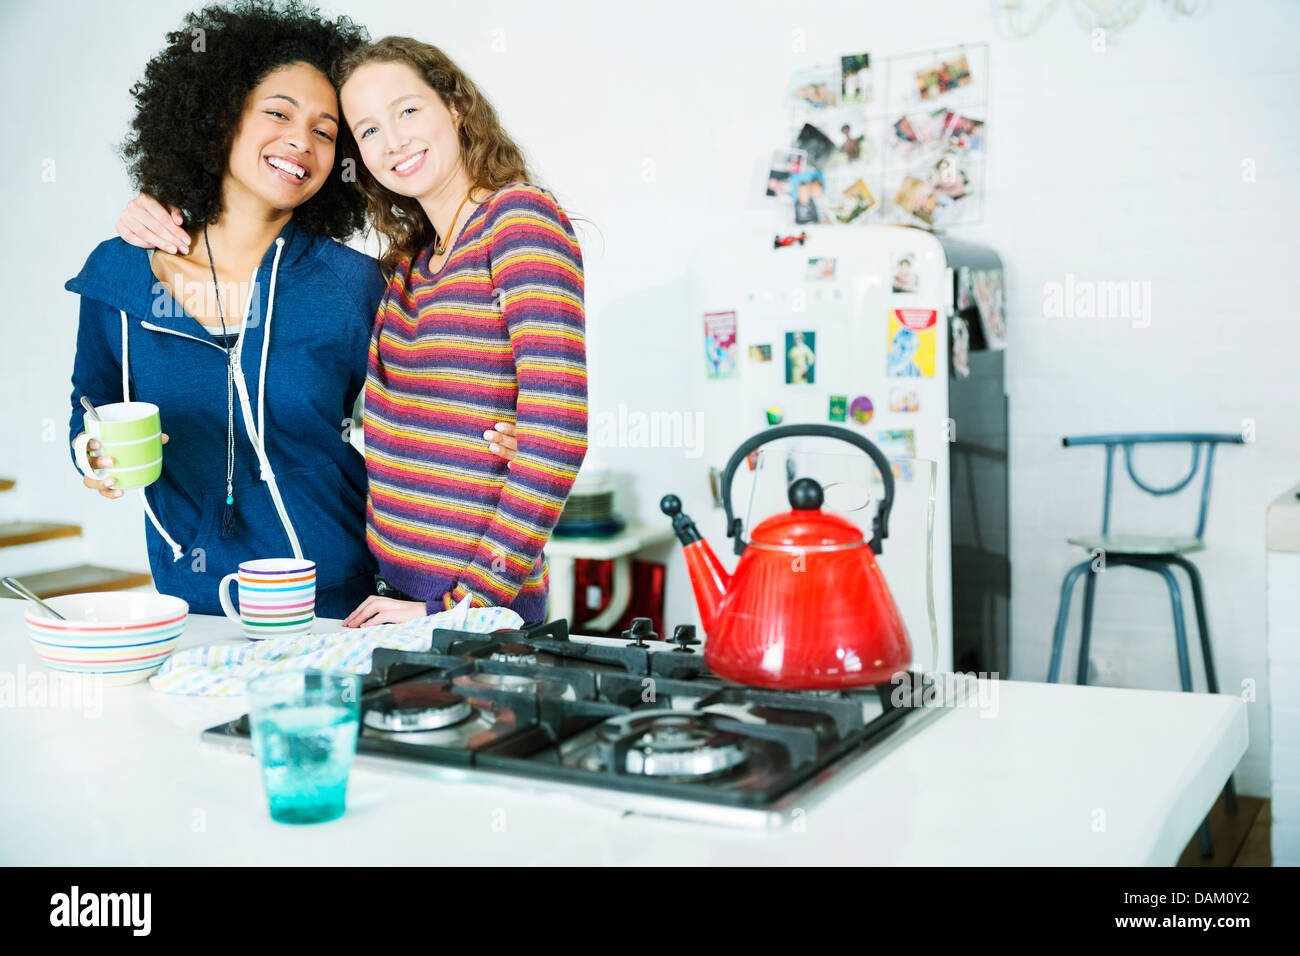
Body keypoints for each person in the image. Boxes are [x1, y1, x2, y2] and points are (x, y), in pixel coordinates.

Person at [83, 1, 518, 618]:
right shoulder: (121, 272)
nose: (301, 141)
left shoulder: (352, 283)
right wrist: (91, 455)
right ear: (219, 118)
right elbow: (90, 401)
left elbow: (441, 393)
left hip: (345, 598)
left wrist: (508, 431)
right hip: (192, 597)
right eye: (279, 113)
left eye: (325, 130)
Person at [331, 37, 588, 628]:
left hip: (474, 615)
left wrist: (459, 609)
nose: (392, 140)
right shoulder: (411, 265)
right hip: (399, 597)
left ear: (456, 105)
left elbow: (558, 433)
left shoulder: (516, 221)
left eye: (407, 110)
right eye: (367, 130)